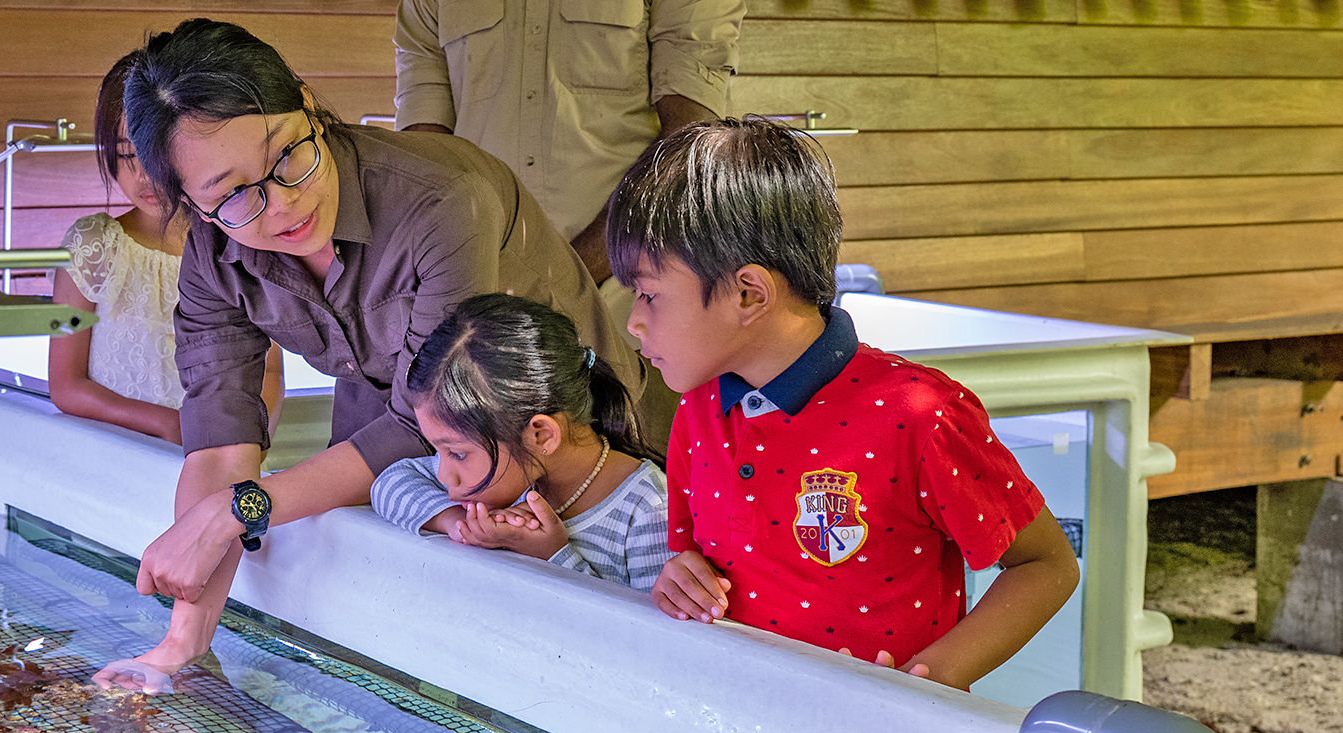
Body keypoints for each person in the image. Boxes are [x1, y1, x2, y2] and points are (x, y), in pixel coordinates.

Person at [92, 18, 638, 692]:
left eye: (287, 156)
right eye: (232, 195)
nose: (283, 205)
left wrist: (241, 510)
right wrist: (180, 645)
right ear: (194, 208)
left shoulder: (440, 199)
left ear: (308, 103)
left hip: (573, 447)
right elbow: (220, 444)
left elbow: (424, 419)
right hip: (427, 455)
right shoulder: (214, 255)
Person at [609, 117, 1080, 690]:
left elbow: (1045, 566)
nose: (633, 321)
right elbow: (691, 563)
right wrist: (678, 580)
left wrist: (930, 679)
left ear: (749, 294)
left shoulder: (921, 416)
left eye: (649, 294)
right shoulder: (699, 409)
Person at [393, 0, 744, 331]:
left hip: (629, 311)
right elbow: (424, 161)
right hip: (485, 317)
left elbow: (690, 144)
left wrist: (561, 279)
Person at [47, 52, 284, 443]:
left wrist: (248, 442)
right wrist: (169, 424)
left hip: (215, 455)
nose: (145, 175)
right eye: (127, 154)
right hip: (115, 457)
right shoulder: (93, 245)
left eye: (157, 154)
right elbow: (66, 385)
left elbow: (269, 372)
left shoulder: (240, 242)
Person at [370, 294, 674, 591]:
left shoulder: (650, 510)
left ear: (541, 435)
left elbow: (647, 625)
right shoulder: (513, 474)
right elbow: (389, 483)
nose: (444, 475)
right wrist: (460, 523)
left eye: (457, 454)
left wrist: (553, 557)